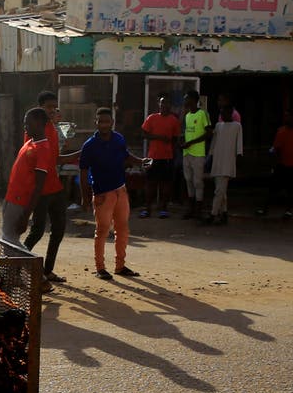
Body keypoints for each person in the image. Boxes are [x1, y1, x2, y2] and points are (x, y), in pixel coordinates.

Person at [79, 107, 148, 280]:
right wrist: (85, 197)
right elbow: (83, 172)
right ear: (96, 122)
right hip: (102, 193)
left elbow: (125, 156)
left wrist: (140, 162)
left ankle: (120, 265)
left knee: (122, 229)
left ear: (112, 123)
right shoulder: (89, 145)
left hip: (120, 190)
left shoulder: (118, 139)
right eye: (100, 121)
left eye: (106, 121)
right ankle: (100, 268)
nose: (103, 124)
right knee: (102, 230)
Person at [22, 91, 69, 284]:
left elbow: (55, 158)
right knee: (37, 231)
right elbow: (31, 159)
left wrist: (81, 155)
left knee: (58, 230)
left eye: (54, 106)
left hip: (54, 186)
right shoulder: (33, 130)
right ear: (40, 107)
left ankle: (48, 270)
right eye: (48, 107)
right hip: (41, 188)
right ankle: (19, 263)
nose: (52, 110)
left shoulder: (53, 129)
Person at [2, 108, 52, 248]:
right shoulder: (30, 142)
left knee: (9, 239)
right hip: (11, 197)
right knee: (8, 237)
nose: (25, 127)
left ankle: (25, 265)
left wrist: (25, 216)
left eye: (28, 124)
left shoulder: (42, 148)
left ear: (40, 123)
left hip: (20, 200)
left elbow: (39, 186)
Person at [257, 111, 293, 219]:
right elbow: (276, 148)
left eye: (291, 117)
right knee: (273, 187)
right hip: (282, 164)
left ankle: (288, 210)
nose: (289, 120)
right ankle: (265, 208)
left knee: (291, 189)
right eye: (287, 118)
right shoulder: (281, 131)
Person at [140, 95, 181, 219]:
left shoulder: (174, 120)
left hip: (167, 157)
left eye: (167, 103)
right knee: (149, 183)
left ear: (170, 105)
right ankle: (147, 209)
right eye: (162, 103)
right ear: (159, 104)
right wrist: (159, 137)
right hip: (152, 156)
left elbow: (175, 139)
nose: (164, 106)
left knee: (165, 184)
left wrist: (173, 152)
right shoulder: (151, 118)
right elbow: (144, 134)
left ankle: (164, 209)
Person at [206, 105, 243, 225]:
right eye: (221, 113)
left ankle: (213, 214)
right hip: (217, 161)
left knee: (219, 191)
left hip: (227, 162)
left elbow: (239, 146)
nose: (223, 115)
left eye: (225, 113)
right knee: (221, 190)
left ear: (231, 113)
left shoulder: (237, 126)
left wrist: (238, 159)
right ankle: (224, 213)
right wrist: (210, 157)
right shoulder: (218, 126)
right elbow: (213, 143)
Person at [181, 90, 213, 219]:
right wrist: (182, 140)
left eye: (186, 98)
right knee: (188, 180)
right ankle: (191, 208)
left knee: (198, 181)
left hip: (198, 153)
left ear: (193, 99)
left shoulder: (202, 114)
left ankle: (199, 208)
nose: (185, 101)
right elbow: (188, 132)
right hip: (186, 152)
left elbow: (209, 133)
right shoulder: (187, 115)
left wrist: (192, 142)